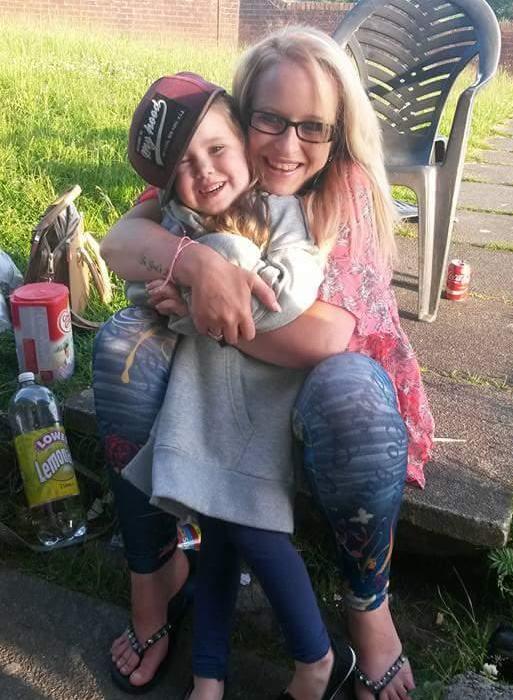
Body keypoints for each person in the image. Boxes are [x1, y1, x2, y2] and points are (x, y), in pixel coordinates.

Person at [94, 25, 434, 700]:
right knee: (119, 347)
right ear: (239, 112)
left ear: (338, 135)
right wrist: (195, 265)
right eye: (270, 120)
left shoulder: (344, 190)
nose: (286, 146)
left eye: (313, 127)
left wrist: (202, 314)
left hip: (326, 386)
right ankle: (155, 575)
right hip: (232, 383)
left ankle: (368, 607)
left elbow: (326, 337)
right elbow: (121, 241)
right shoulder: (214, 165)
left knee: (350, 400)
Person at [121, 70, 355, 700]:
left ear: (244, 144)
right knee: (217, 541)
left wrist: (206, 291)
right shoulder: (178, 225)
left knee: (256, 534)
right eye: (184, 166)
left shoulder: (283, 213)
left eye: (218, 149)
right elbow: (138, 284)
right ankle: (209, 677)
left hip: (257, 415)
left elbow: (287, 295)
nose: (204, 172)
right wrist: (182, 288)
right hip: (200, 412)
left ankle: (317, 659)